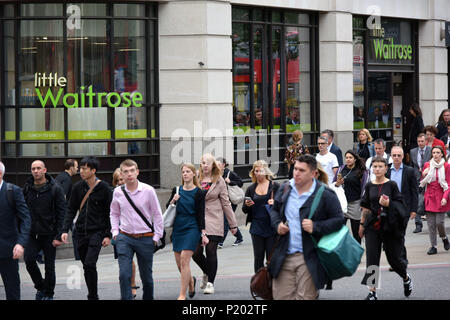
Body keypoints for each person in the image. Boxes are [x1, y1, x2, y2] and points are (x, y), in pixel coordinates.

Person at [268, 155, 344, 300]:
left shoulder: (325, 194)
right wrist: (278, 225)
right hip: (285, 255)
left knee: (305, 297)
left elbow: (339, 220)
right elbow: (274, 211)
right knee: (280, 296)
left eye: (302, 170)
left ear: (314, 174)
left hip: (309, 256)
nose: (296, 173)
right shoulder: (285, 188)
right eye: (295, 169)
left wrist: (316, 226)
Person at [359, 157, 413, 300]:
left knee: (394, 260)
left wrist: (389, 204)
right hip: (372, 226)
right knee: (372, 258)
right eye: (374, 166)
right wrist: (361, 224)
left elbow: (401, 205)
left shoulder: (392, 185)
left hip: (389, 226)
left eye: (380, 166)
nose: (377, 169)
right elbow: (365, 206)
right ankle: (372, 292)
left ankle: (406, 277)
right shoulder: (369, 185)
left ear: (385, 168)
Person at [110, 159, 164, 300]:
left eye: (132, 171)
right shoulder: (117, 192)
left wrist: (156, 237)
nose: (129, 174)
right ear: (121, 173)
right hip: (124, 237)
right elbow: (114, 213)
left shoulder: (148, 190)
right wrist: (115, 232)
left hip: (146, 237)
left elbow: (157, 214)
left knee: (147, 278)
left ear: (137, 172)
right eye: (126, 172)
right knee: (124, 274)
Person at [60, 156, 113, 300]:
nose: (81, 171)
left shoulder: (105, 188)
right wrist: (65, 230)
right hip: (80, 233)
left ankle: (93, 296)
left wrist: (108, 234)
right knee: (87, 266)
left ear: (93, 170)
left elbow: (111, 213)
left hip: (97, 232)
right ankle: (92, 292)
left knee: (90, 263)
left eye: (84, 168)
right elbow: (70, 209)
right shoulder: (78, 187)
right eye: (81, 168)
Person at [192, 153, 238, 295]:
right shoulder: (196, 179)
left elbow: (226, 202)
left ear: (213, 165)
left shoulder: (219, 181)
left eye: (207, 162)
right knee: (195, 253)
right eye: (202, 162)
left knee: (211, 251)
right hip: (198, 221)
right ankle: (207, 272)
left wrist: (233, 224)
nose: (204, 165)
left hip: (214, 219)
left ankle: (210, 283)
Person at [22, 160, 66, 300]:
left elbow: (62, 214)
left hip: (49, 234)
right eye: (33, 168)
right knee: (29, 260)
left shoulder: (55, 188)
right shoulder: (27, 187)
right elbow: (22, 210)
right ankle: (41, 286)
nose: (35, 171)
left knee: (49, 266)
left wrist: (58, 235)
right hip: (31, 233)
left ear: (45, 170)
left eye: (38, 168)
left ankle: (49, 294)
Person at [166, 163, 207, 300]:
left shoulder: (199, 193)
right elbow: (168, 207)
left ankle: (182, 295)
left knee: (185, 259)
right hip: (178, 227)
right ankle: (190, 281)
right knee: (179, 264)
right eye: (183, 172)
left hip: (192, 227)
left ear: (194, 174)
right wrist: (173, 200)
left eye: (188, 171)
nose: (185, 174)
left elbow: (201, 214)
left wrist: (203, 233)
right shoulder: (177, 190)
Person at [242, 160, 280, 273]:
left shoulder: (275, 186)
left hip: (271, 227)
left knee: (271, 258)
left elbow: (284, 206)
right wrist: (247, 205)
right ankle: (259, 284)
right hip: (256, 227)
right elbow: (244, 210)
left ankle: (272, 283)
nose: (258, 173)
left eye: (261, 170)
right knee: (258, 258)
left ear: (266, 171)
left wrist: (275, 203)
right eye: (256, 171)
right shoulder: (251, 189)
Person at [0, 161, 31, 300]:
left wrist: (21, 243)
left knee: (12, 290)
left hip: (8, 250)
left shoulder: (12, 191)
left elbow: (26, 219)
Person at [386, 146, 419, 264]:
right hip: (389, 207)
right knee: (391, 235)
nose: (396, 158)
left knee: (400, 234)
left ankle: (399, 260)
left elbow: (414, 192)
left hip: (404, 208)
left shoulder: (409, 171)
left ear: (403, 157)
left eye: (399, 155)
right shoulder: (387, 170)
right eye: (394, 155)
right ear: (390, 156)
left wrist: (414, 209)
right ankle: (399, 259)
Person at [111, 168, 139, 299]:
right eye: (117, 181)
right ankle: (127, 286)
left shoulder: (136, 192)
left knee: (130, 260)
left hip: (134, 231)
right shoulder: (114, 194)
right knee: (123, 260)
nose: (119, 183)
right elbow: (111, 214)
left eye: (121, 180)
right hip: (119, 232)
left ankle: (132, 285)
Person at [419, 146, 450, 255]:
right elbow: (422, 182)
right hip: (429, 197)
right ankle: (433, 246)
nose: (435, 155)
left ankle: (444, 237)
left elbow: (448, 184)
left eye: (438, 152)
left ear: (442, 154)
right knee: (431, 224)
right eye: (434, 153)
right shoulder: (427, 165)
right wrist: (424, 174)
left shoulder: (446, 166)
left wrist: (445, 198)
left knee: (439, 223)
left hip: (441, 197)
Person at [333, 150, 369, 244]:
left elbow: (365, 187)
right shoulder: (341, 169)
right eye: (346, 157)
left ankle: (356, 254)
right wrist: (337, 183)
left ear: (355, 159)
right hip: (342, 203)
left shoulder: (361, 171)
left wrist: (363, 202)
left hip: (355, 203)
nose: (348, 159)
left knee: (356, 232)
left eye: (350, 157)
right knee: (339, 231)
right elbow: (334, 184)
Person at [216, 157, 244, 248]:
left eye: (218, 164)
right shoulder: (216, 174)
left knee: (226, 220)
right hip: (221, 200)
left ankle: (220, 242)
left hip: (231, 201)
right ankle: (239, 237)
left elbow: (240, 182)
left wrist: (230, 182)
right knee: (228, 221)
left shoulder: (229, 173)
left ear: (223, 165)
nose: (216, 166)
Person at [55, 158, 79, 261]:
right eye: (76, 167)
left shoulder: (60, 176)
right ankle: (79, 255)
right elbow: (63, 195)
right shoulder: (67, 179)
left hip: (58, 209)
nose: (77, 169)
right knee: (75, 231)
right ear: (71, 167)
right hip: (63, 210)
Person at [409, 133, 432, 233]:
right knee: (417, 200)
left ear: (426, 141)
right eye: (419, 141)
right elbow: (411, 165)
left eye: (422, 141)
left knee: (429, 200)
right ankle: (418, 224)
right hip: (417, 178)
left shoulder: (430, 150)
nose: (420, 143)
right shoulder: (413, 151)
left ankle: (432, 223)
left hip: (429, 178)